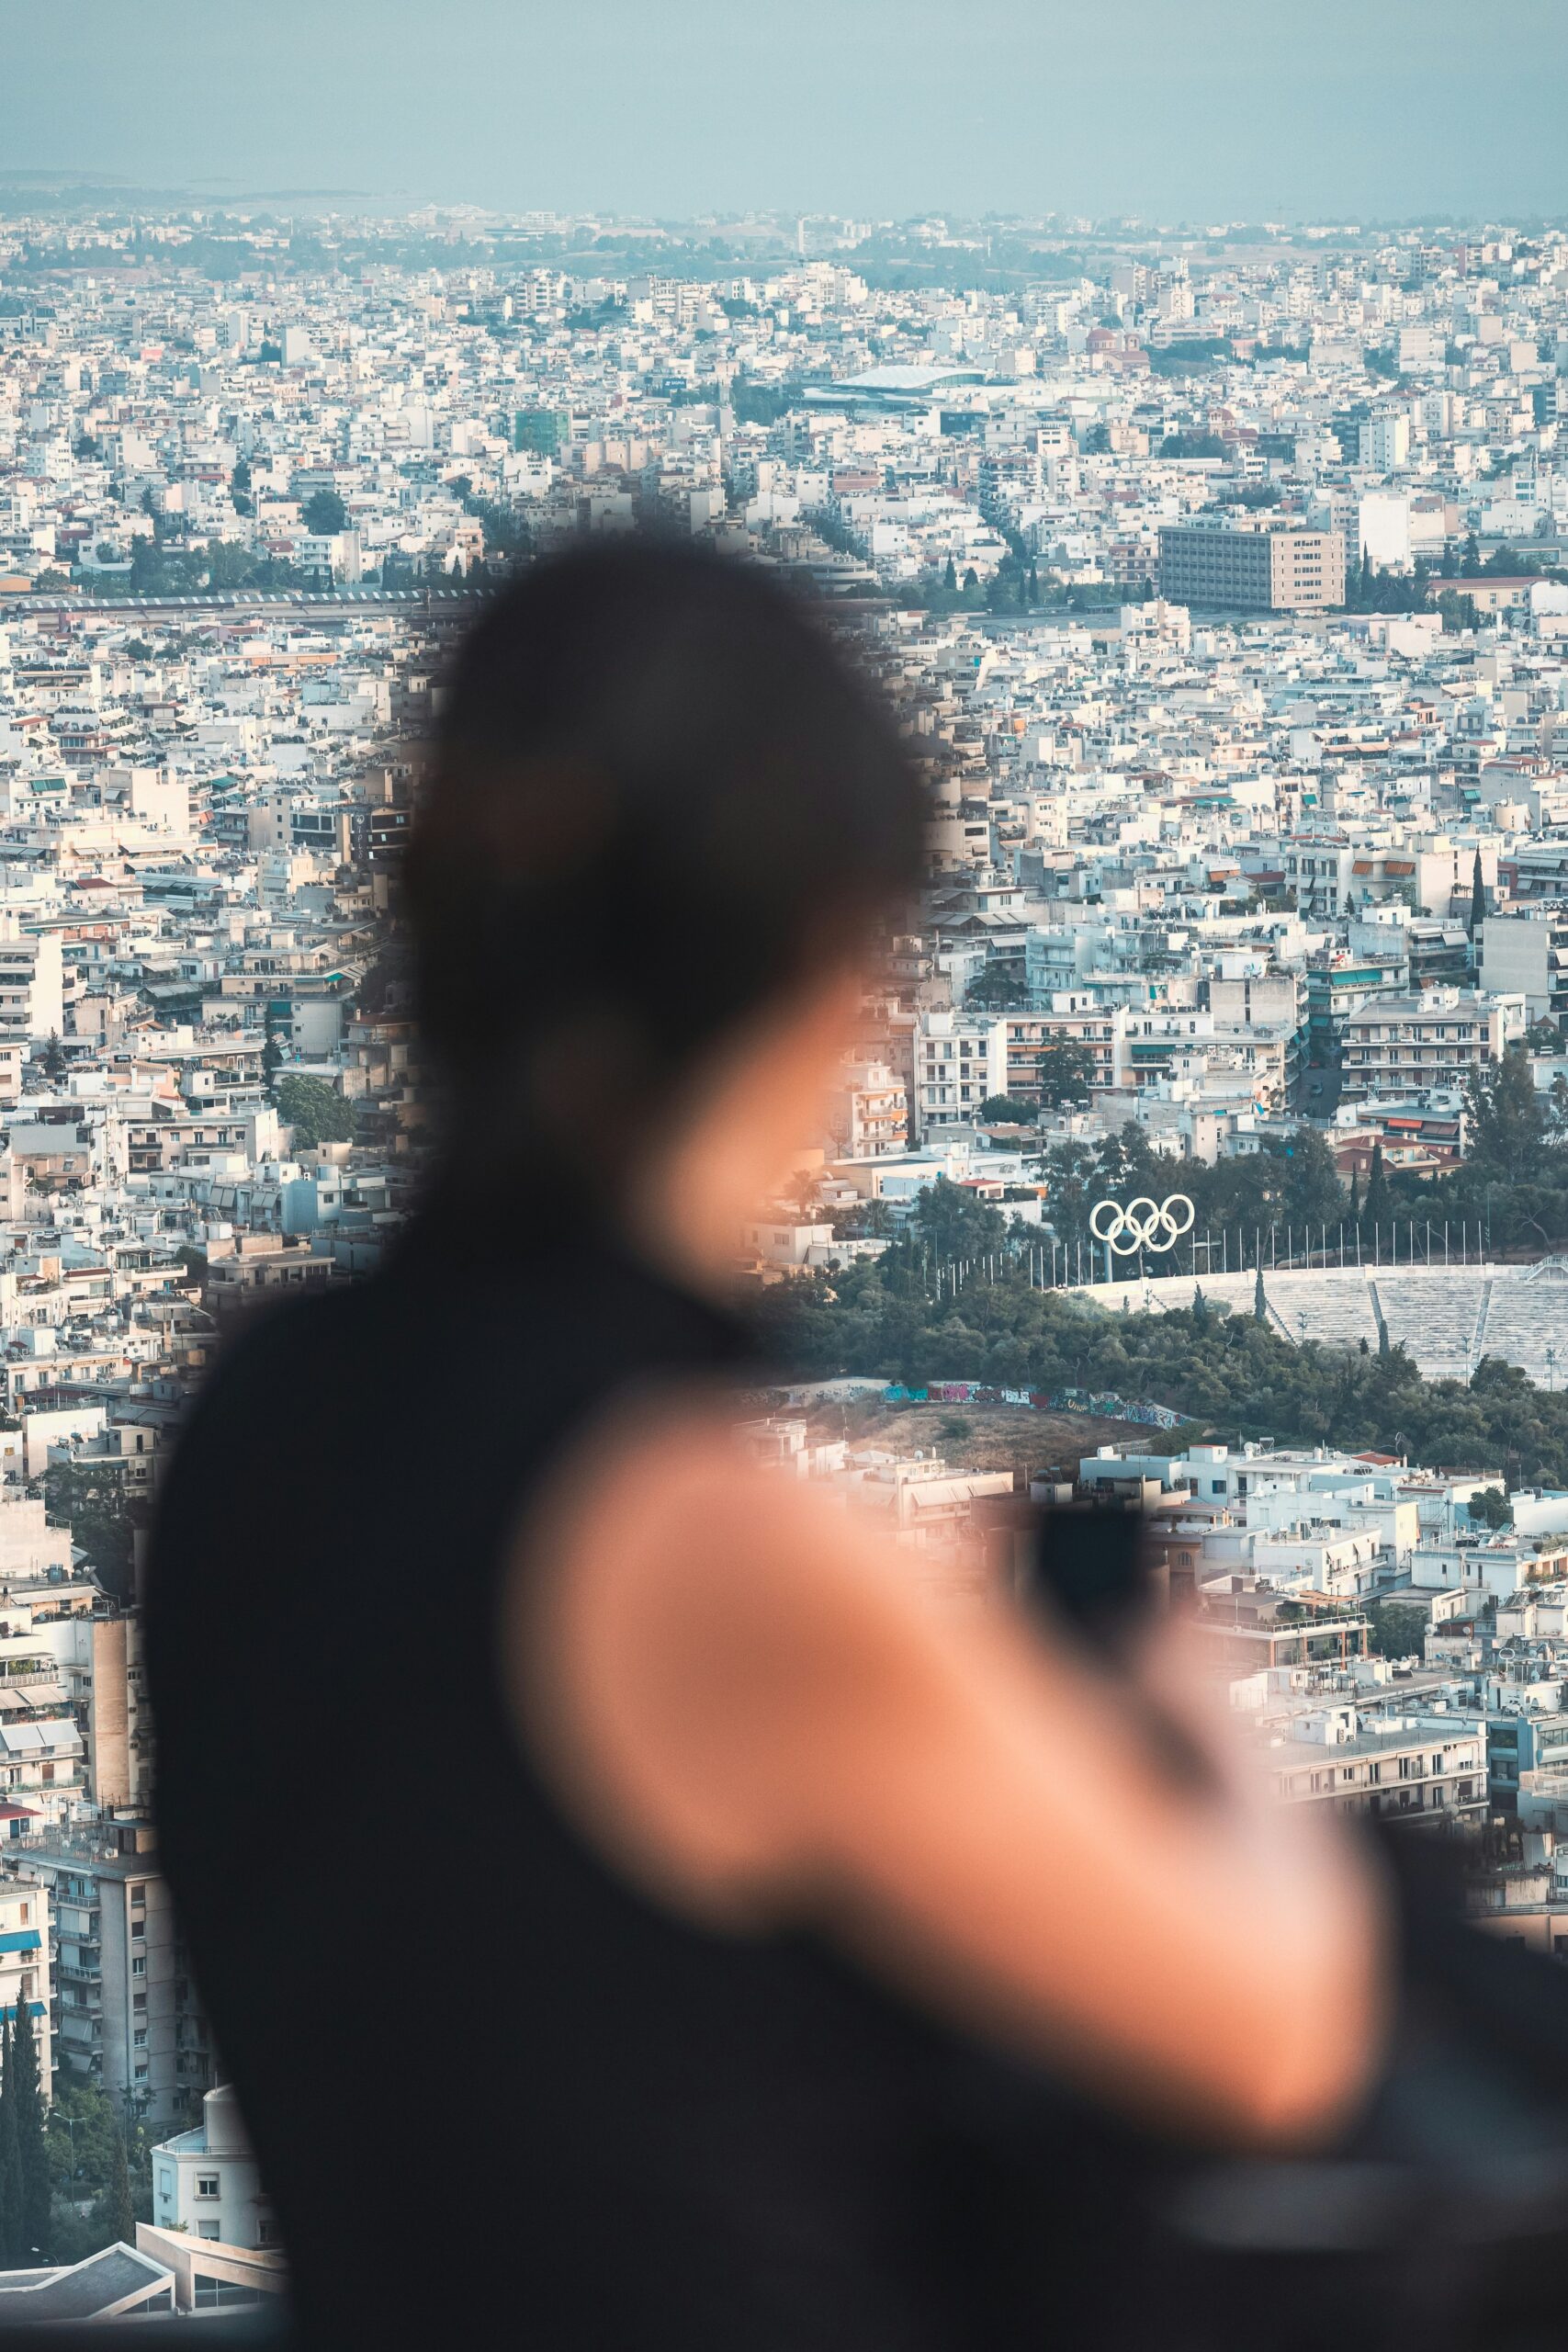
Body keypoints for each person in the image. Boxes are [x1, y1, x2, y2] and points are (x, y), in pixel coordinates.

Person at [146, 543, 1386, 2352]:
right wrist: (1205, 1709)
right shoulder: (699, 1541)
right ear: (830, 957)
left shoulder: (248, 1409)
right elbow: (1276, 2027)